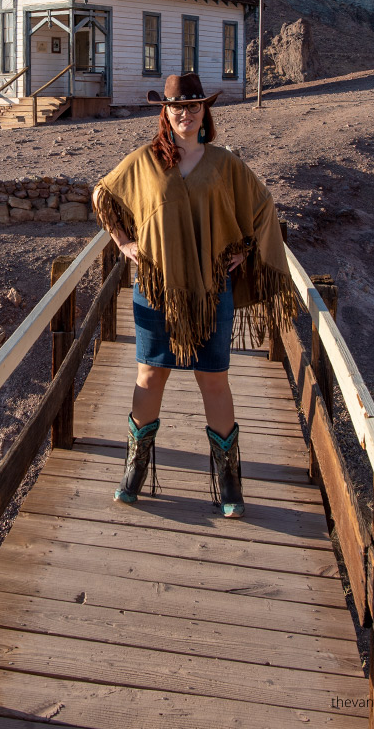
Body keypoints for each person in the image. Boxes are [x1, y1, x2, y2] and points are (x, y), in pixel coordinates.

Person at [92, 73, 295, 518]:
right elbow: (102, 193)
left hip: (210, 291)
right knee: (150, 377)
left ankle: (228, 479)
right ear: (164, 112)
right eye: (177, 107)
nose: (186, 114)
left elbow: (262, 207)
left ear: (205, 111)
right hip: (156, 289)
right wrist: (124, 243)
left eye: (194, 106)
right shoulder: (145, 162)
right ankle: (135, 468)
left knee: (214, 379)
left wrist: (244, 251)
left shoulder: (223, 163)